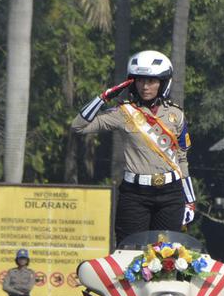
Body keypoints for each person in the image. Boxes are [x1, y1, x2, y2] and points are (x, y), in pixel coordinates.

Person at [71, 50, 195, 241]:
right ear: (132, 82)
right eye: (140, 80)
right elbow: (78, 126)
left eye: (151, 81)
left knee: (167, 256)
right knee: (129, 252)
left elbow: (182, 160)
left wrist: (190, 201)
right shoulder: (124, 112)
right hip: (135, 195)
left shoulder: (175, 115)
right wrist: (103, 97)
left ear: (163, 83)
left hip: (171, 194)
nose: (145, 86)